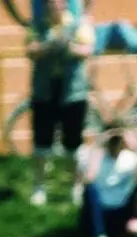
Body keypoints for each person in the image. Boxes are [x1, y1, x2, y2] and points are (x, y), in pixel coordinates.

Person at [27, 0, 94, 206]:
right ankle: (39, 185)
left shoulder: (78, 24)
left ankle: (76, 185)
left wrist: (68, 47)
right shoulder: (37, 25)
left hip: (72, 90)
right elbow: (30, 50)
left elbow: (87, 50)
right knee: (41, 141)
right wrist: (48, 47)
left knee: (73, 142)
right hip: (45, 89)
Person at [78, 121, 137, 237]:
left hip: (122, 210)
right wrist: (98, 145)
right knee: (90, 189)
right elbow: (88, 179)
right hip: (99, 211)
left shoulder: (130, 158)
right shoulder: (94, 156)